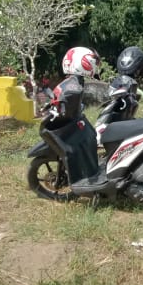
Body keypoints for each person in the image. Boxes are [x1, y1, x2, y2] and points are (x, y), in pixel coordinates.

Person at [49, 46, 102, 187]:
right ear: (81, 63)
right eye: (91, 62)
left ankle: (88, 175)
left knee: (91, 136)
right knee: (89, 137)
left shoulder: (73, 82)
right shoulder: (73, 84)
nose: (93, 66)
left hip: (73, 122)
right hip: (73, 123)